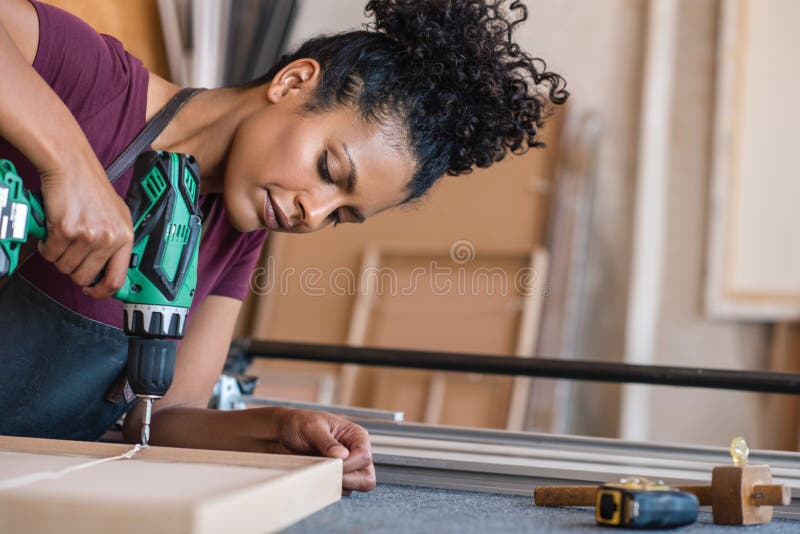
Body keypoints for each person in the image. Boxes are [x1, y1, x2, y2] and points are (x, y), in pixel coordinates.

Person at [0, 0, 567, 493]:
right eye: (328, 169)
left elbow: (164, 415)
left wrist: (281, 429)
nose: (311, 214)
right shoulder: (99, 85)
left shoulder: (235, 238)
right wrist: (69, 166)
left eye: (342, 215)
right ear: (292, 82)